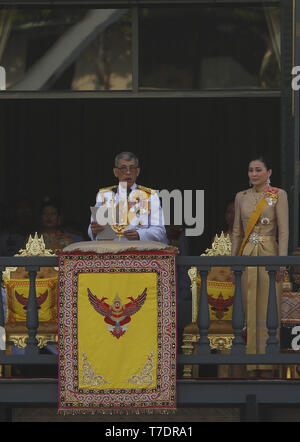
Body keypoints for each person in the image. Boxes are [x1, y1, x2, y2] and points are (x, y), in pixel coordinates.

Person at [231, 155, 289, 377]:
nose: (254, 174)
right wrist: (233, 259)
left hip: (269, 254)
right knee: (248, 306)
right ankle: (249, 363)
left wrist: (282, 261)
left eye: (258, 170)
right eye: (250, 170)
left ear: (269, 172)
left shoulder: (278, 195)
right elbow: (237, 231)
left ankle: (267, 364)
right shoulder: (240, 197)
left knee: (268, 307)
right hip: (247, 255)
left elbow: (283, 232)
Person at [88, 152, 168, 243]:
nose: (128, 172)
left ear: (137, 172)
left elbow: (159, 231)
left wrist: (140, 235)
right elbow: (92, 228)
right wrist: (94, 230)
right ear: (115, 172)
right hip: (109, 251)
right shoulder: (104, 195)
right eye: (123, 168)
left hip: (138, 251)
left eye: (132, 168)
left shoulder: (150, 196)